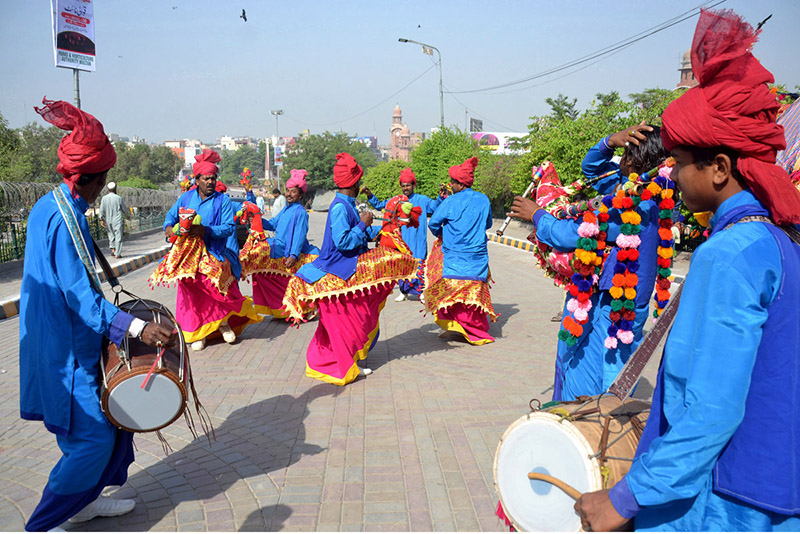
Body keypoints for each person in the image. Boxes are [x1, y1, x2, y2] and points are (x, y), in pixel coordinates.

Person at [574, 9, 800, 531]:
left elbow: (710, 410)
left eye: (679, 161)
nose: (671, 174)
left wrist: (624, 500)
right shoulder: (779, 241)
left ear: (720, 168)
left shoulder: (729, 254)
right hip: (771, 488)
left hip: (726, 498)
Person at [19, 98, 176, 532]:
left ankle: (81, 504)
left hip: (68, 339)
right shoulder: (63, 217)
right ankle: (45, 523)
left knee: (104, 429)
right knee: (91, 439)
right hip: (62, 349)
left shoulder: (55, 205)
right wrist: (140, 328)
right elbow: (79, 298)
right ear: (97, 177)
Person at [508, 125, 668, 401]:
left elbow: (572, 235)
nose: (621, 157)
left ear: (632, 161)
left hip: (618, 307)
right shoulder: (630, 188)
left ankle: (587, 426)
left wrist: (537, 215)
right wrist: (608, 141)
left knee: (592, 373)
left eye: (625, 152)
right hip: (606, 295)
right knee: (582, 357)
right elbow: (591, 169)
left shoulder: (635, 205)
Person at [285, 153, 417, 385]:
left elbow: (360, 233)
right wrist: (363, 224)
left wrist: (383, 228)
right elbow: (344, 241)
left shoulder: (348, 205)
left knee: (357, 317)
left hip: (348, 266)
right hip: (338, 270)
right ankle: (341, 365)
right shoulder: (339, 208)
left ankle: (349, 359)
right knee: (345, 322)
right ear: (354, 184)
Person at [156, 149, 261, 351]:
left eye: (213, 178)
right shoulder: (185, 198)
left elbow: (229, 228)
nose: (211, 182)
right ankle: (199, 332)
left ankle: (222, 324)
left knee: (214, 286)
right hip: (187, 254)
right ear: (197, 180)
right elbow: (170, 218)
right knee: (189, 289)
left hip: (213, 252)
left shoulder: (223, 201)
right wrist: (169, 228)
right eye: (206, 179)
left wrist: (205, 230)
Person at [424, 157, 496, 344]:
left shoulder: (450, 202)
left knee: (450, 294)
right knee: (471, 296)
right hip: (477, 259)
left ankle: (456, 326)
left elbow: (433, 223)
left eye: (452, 183)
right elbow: (487, 223)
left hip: (454, 258)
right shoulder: (484, 200)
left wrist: (441, 234)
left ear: (459, 184)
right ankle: (467, 328)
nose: (451, 186)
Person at [240, 168, 320, 318]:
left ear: (300, 194)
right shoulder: (285, 210)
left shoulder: (300, 212)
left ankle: (300, 308)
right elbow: (272, 224)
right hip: (279, 248)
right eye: (288, 191)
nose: (289, 194)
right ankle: (278, 308)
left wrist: (294, 255)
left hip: (289, 253)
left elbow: (299, 236)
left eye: (293, 191)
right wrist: (257, 219)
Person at [361, 167, 443, 302]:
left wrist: (440, 197)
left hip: (417, 240)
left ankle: (421, 292)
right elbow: (380, 205)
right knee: (401, 265)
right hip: (401, 240)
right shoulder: (397, 200)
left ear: (413, 185)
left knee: (419, 263)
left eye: (408, 185)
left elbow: (434, 207)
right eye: (403, 186)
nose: (406, 188)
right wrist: (370, 195)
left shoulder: (422, 200)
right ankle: (404, 292)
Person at [98, 181, 128, 258]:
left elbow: (101, 209)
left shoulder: (104, 198)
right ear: (115, 189)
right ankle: (117, 253)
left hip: (108, 220)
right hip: (117, 219)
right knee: (118, 236)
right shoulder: (118, 198)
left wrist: (101, 218)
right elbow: (124, 208)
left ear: (108, 189)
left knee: (111, 234)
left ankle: (113, 249)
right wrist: (128, 216)